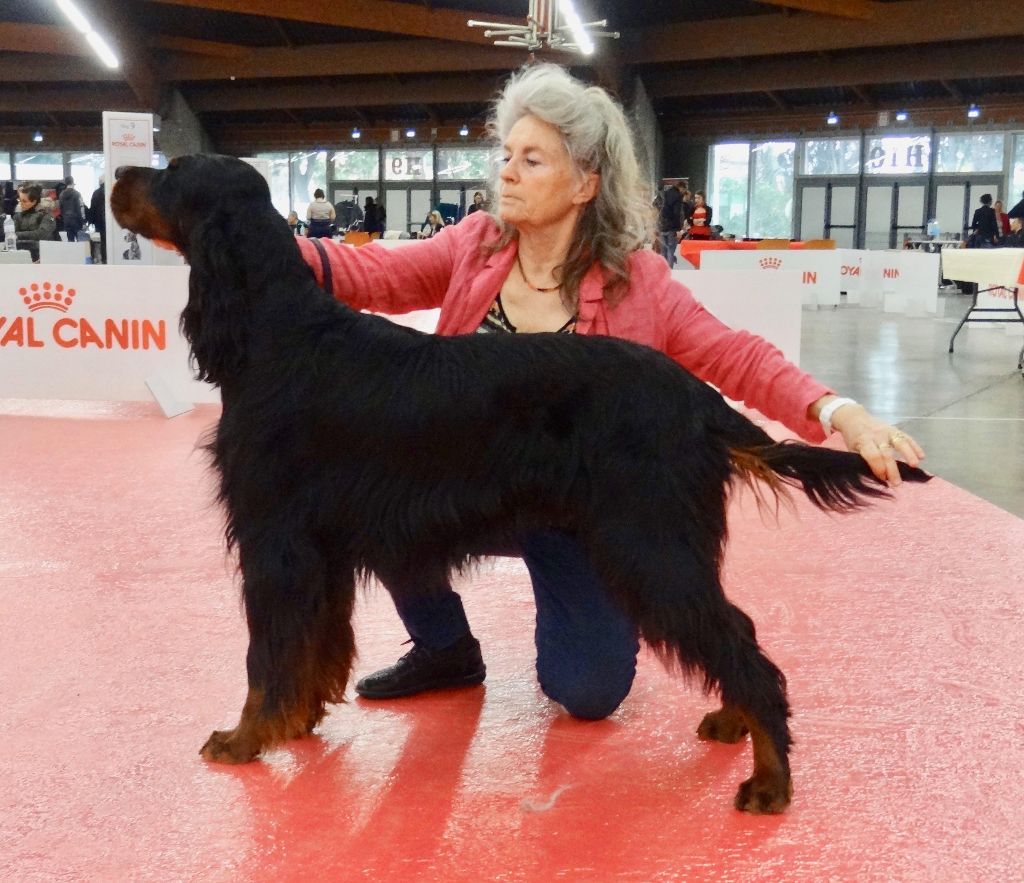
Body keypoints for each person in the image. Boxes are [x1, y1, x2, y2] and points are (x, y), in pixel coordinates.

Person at [292, 63, 925, 719]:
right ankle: (444, 646)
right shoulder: (474, 245)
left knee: (586, 690)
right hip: (471, 488)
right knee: (380, 495)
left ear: (583, 183)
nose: (505, 170)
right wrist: (262, 241)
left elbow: (734, 353)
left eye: (532, 159)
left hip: (576, 508)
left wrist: (839, 411)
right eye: (506, 154)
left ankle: (723, 653)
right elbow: (369, 274)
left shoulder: (636, 281)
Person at [13, 183, 58, 262]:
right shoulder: (18, 216)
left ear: (34, 202)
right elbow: (10, 235)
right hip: (20, 257)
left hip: (44, 257)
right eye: (20, 200)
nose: (21, 204)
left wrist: (16, 235)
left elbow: (41, 234)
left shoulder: (47, 216)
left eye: (24, 201)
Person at [656, 179, 685, 267]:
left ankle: (663, 272)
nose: (683, 192)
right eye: (684, 190)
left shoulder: (664, 193)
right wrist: (678, 229)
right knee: (671, 251)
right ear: (681, 187)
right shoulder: (678, 196)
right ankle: (670, 273)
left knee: (663, 251)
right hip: (672, 228)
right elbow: (677, 213)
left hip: (662, 226)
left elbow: (657, 207)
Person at [58, 176, 87, 243]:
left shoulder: (61, 195)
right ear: (73, 182)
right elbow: (81, 208)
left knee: (70, 243)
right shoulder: (77, 194)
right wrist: (83, 222)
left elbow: (61, 208)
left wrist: (64, 218)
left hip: (66, 222)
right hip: (77, 221)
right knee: (80, 243)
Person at [88, 177, 106, 263]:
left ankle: (104, 259)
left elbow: (93, 208)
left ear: (100, 183)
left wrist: (91, 221)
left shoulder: (96, 193)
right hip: (111, 222)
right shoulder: (113, 191)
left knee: (103, 241)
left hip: (99, 222)